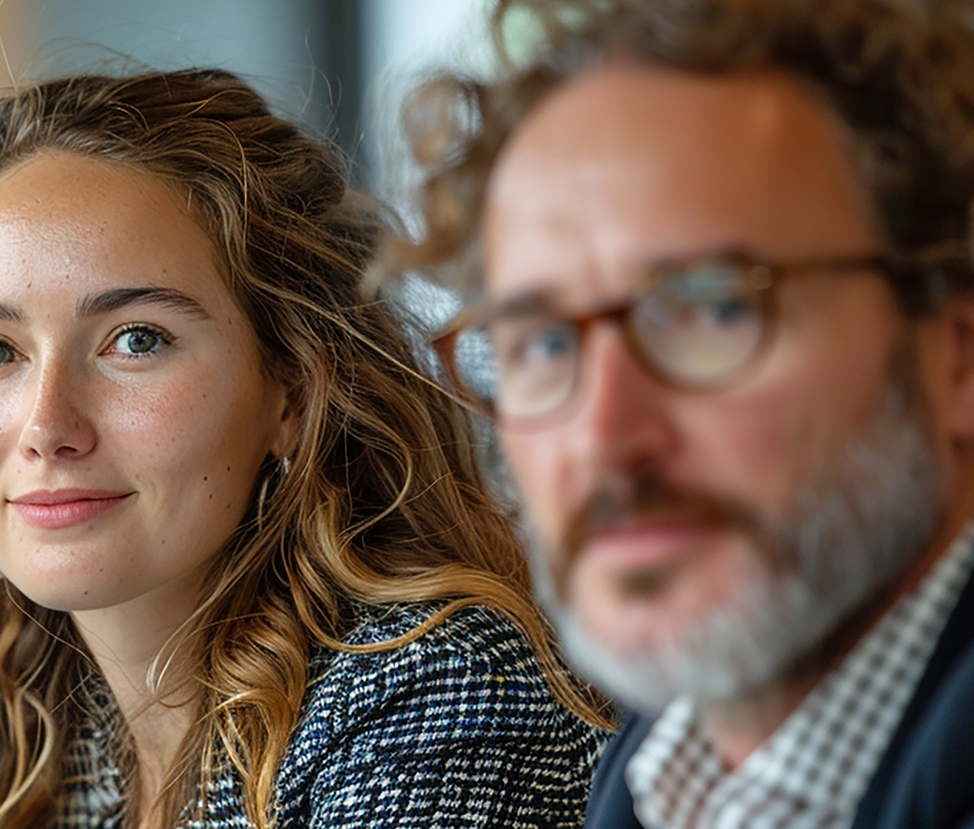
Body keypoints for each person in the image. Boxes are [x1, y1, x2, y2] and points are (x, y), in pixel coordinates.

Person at [0, 68, 612, 829]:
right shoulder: (27, 712)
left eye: (135, 339)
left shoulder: (440, 694)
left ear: (292, 393)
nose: (46, 425)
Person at [388, 0, 974, 825]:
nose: (603, 436)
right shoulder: (656, 771)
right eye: (544, 343)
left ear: (956, 353)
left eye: (715, 309)